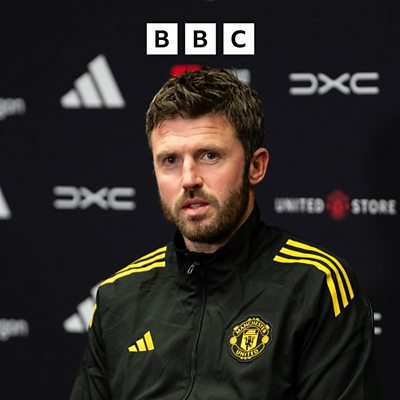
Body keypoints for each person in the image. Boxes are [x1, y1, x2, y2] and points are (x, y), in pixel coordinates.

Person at [69, 67, 379, 399]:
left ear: (256, 166)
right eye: (170, 160)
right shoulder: (119, 297)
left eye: (209, 155)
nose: (189, 179)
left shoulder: (316, 286)